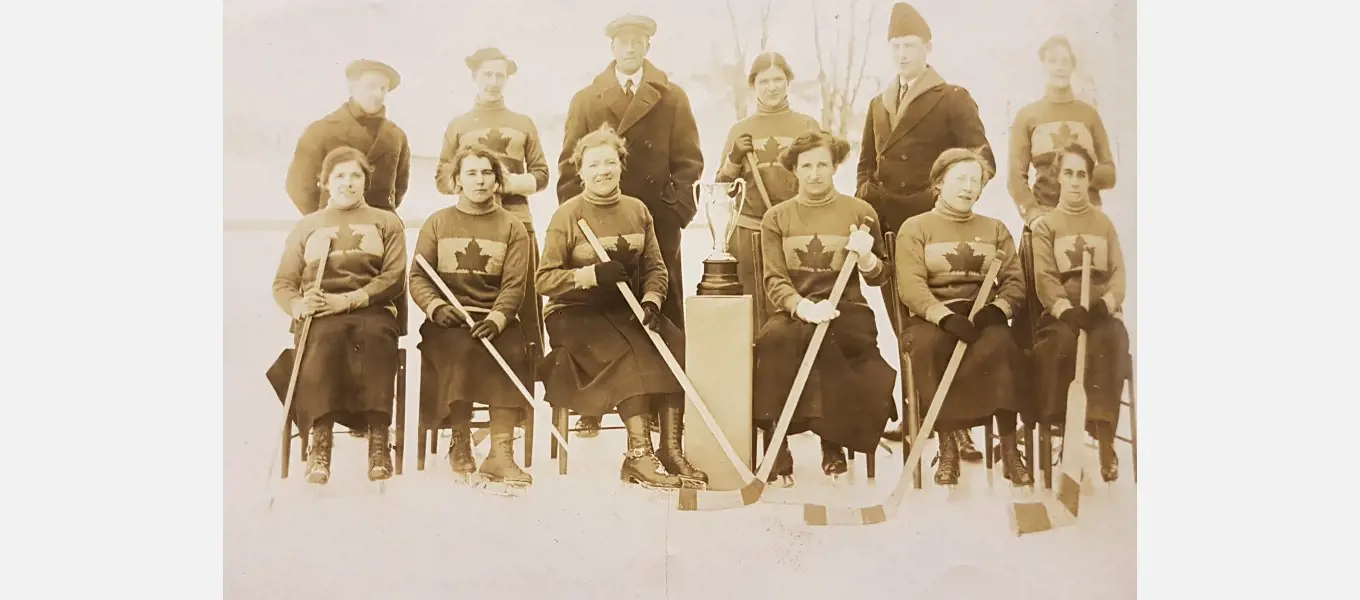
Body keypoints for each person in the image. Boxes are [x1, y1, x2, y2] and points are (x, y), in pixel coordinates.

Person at [557, 14, 704, 436]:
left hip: (654, 219)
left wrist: (675, 211)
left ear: (647, 47)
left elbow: (689, 160)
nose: (630, 47)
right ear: (612, 47)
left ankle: (662, 404)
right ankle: (593, 402)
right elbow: (569, 162)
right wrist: (576, 218)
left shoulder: (672, 97)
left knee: (659, 303)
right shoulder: (587, 99)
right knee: (598, 305)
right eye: (623, 41)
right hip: (596, 221)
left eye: (638, 41)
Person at [858, 3, 994, 460]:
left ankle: (955, 427)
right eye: (895, 46)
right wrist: (867, 198)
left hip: (935, 231)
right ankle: (920, 418)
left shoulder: (951, 96)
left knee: (945, 324)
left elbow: (982, 159)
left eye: (910, 46)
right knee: (905, 331)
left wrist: (942, 201)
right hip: (889, 231)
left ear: (928, 48)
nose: (901, 54)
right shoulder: (879, 103)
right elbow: (865, 164)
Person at [537, 125, 706, 490]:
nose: (603, 171)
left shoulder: (637, 210)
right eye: (594, 165)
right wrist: (591, 274)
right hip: (573, 312)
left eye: (610, 162)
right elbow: (545, 280)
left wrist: (651, 300)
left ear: (620, 166)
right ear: (580, 171)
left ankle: (670, 449)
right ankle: (638, 456)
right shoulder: (567, 215)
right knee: (629, 355)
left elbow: (656, 268)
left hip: (625, 308)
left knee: (676, 346)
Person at [753, 130, 898, 481]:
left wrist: (866, 257)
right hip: (795, 310)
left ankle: (831, 440)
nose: (815, 173)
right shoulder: (777, 218)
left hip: (847, 310)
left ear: (835, 167)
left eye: (822, 164)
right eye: (807, 166)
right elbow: (774, 280)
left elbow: (880, 277)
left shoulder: (860, 212)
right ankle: (777, 441)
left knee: (830, 338)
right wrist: (802, 307)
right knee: (775, 342)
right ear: (795, 170)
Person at [269, 146, 407, 484]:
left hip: (371, 309)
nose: (348, 183)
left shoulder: (386, 222)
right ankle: (320, 443)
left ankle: (378, 442)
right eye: (340, 176)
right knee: (324, 336)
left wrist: (348, 300)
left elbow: (393, 277)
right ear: (325, 182)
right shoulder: (308, 226)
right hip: (320, 315)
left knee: (375, 337)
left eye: (356, 175)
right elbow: (284, 283)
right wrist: (299, 305)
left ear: (366, 181)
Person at [894, 148, 1032, 486]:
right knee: (930, 348)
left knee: (1002, 346)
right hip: (935, 318)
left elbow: (1015, 281)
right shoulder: (915, 228)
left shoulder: (995, 229)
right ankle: (947, 446)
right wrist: (942, 316)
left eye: (976, 180)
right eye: (961, 179)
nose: (969, 187)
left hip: (982, 315)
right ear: (939, 182)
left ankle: (1011, 450)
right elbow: (910, 285)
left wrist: (997, 310)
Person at [412, 146, 534, 488]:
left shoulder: (513, 227)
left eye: (487, 173)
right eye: (471, 173)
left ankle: (500, 452)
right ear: (457, 182)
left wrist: (497, 318)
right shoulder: (437, 223)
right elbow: (418, 276)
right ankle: (460, 439)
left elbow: (514, 285)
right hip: (448, 320)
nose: (480, 180)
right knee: (461, 350)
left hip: (495, 319)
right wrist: (436, 307)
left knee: (511, 351)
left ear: (497, 182)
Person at [435, 48, 550, 362]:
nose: (494, 81)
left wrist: (505, 183)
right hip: (470, 224)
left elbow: (542, 175)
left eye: (500, 75)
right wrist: (474, 185)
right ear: (474, 76)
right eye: (487, 74)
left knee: (523, 301)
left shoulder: (522, 123)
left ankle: (527, 380)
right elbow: (442, 178)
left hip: (517, 222)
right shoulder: (459, 124)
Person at [1030, 144, 1128, 483]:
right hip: (1063, 316)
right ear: (1057, 177)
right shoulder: (1046, 226)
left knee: (1112, 340)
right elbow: (1043, 277)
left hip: (1100, 312)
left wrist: (1107, 305)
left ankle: (1104, 442)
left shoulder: (1103, 224)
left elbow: (1118, 272)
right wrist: (1065, 310)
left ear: (1090, 181)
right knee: (1059, 345)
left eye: (1081, 175)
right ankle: (1065, 436)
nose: (1074, 181)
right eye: (1068, 173)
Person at [714, 52, 820, 328]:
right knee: (754, 310)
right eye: (764, 81)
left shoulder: (806, 125)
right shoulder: (740, 129)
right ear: (753, 85)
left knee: (796, 306)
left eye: (778, 80)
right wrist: (733, 159)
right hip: (750, 235)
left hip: (795, 231)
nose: (771, 87)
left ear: (788, 83)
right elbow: (722, 190)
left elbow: (821, 177)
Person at [1007, 35, 1117, 227]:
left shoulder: (1088, 115)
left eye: (1065, 61)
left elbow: (1109, 173)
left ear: (1073, 66)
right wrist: (1033, 215)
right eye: (1052, 60)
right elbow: (1015, 177)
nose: (1059, 67)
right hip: (1046, 218)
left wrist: (1078, 175)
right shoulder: (1027, 116)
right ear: (1043, 65)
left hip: (1088, 218)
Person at [286, 59, 412, 215]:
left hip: (381, 228)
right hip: (334, 229)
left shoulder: (396, 136)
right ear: (352, 85)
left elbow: (400, 187)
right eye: (371, 86)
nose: (378, 94)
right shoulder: (320, 131)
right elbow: (298, 186)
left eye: (383, 88)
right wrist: (321, 219)